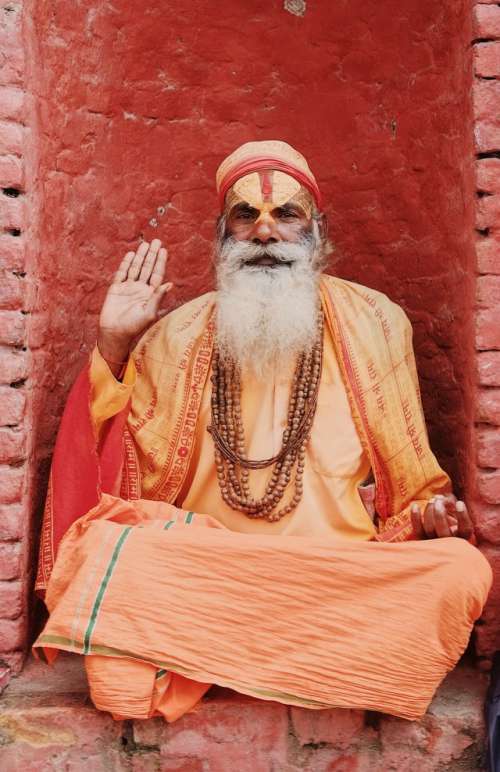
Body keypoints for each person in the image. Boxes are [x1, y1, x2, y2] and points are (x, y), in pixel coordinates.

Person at [34, 140, 492, 723]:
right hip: (209, 579)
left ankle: (228, 657)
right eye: (245, 215)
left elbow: (414, 486)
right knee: (107, 551)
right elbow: (119, 490)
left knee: (460, 568)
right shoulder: (173, 336)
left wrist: (428, 519)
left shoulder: (377, 322)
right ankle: (314, 666)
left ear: (317, 232)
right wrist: (116, 346)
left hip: (335, 575)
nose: (266, 232)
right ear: (222, 234)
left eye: (287, 215)